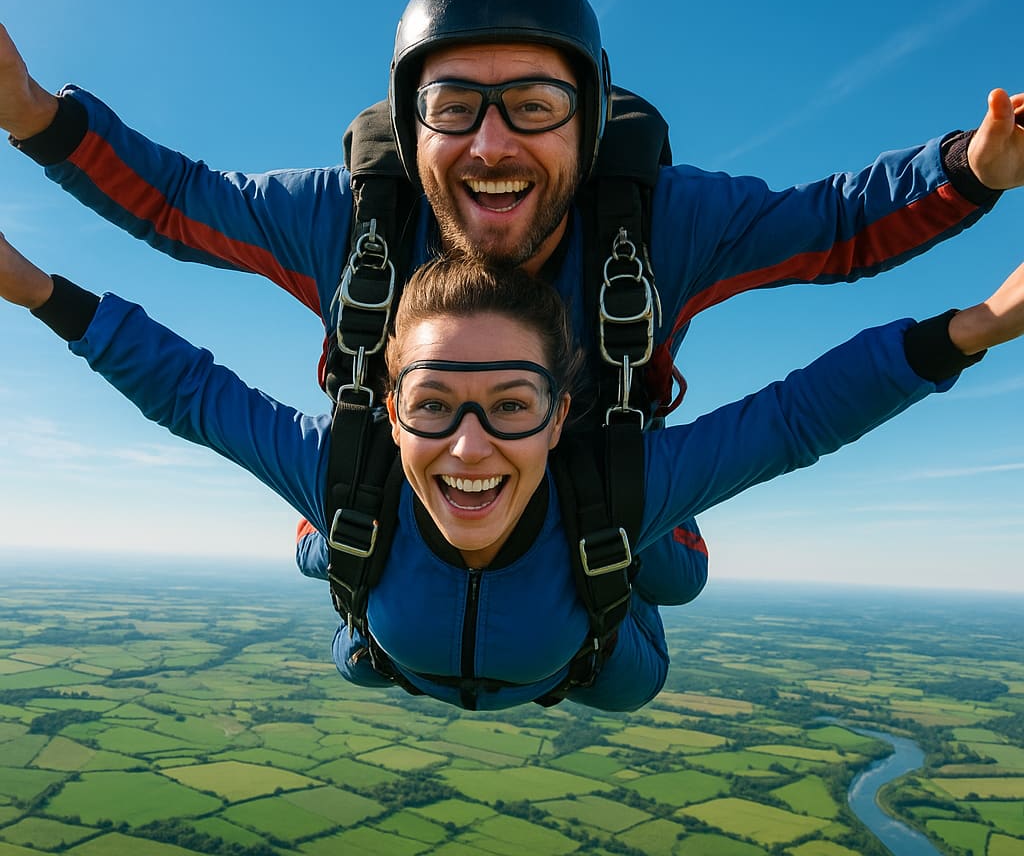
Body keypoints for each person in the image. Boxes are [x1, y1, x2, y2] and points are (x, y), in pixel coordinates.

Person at [2, 0, 1022, 605]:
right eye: (453, 106)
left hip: (600, 475)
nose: (491, 143)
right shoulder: (351, 219)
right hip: (422, 467)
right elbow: (180, 205)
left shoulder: (661, 222)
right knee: (349, 561)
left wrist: (970, 173)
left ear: (584, 118)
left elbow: (836, 227)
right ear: (409, 128)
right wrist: (32, 115)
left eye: (533, 102)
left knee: (661, 588)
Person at [2, 231, 1021, 711]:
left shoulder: (612, 485)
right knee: (345, 583)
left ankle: (638, 553)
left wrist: (980, 324)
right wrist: (32, 284)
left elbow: (800, 415)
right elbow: (189, 390)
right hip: (402, 635)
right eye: (434, 405)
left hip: (590, 661)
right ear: (388, 409)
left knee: (674, 574)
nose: (470, 443)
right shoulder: (342, 469)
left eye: (513, 406)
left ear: (563, 413)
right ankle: (322, 552)